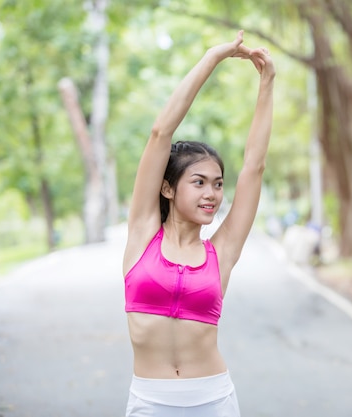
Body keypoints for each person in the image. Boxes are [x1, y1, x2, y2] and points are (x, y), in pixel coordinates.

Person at [122, 30, 274, 416]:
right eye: (199, 182)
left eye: (218, 184)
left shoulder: (220, 252)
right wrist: (212, 58)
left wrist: (267, 82)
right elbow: (160, 133)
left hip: (213, 401)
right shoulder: (143, 235)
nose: (212, 194)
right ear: (168, 189)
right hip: (150, 402)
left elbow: (254, 167)